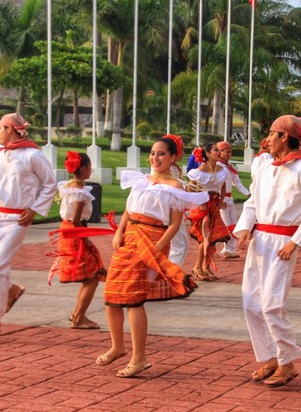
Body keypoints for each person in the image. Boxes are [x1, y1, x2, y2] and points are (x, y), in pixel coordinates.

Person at [101, 135, 208, 378]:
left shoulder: (176, 187)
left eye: (161, 154)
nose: (155, 158)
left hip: (151, 241)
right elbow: (129, 209)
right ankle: (117, 346)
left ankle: (139, 357)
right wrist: (119, 231)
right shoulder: (141, 180)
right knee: (111, 294)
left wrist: (157, 248)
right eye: (152, 153)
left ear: (173, 158)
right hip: (129, 238)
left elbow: (174, 225)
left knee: (134, 298)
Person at [234, 115, 301, 387]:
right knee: (251, 303)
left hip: (283, 243)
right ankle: (269, 358)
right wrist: (244, 229)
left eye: (272, 134)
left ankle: (287, 363)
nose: (268, 140)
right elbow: (252, 201)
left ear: (285, 137)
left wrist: (295, 242)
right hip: (260, 240)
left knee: (272, 304)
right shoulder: (266, 168)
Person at [0, 113, 57, 338]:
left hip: (17, 219)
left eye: (0, 128)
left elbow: (50, 184)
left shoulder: (33, 156)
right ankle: (11, 290)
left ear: (10, 129)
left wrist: (35, 209)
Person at [50, 151, 106, 330]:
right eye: (88, 167)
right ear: (81, 168)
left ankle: (78, 314)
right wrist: (86, 239)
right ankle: (78, 317)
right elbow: (76, 220)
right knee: (92, 279)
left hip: (68, 231)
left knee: (89, 277)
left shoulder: (69, 186)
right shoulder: (80, 192)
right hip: (75, 232)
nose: (90, 170)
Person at [187, 144, 230, 280]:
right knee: (205, 237)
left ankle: (205, 266)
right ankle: (197, 267)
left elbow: (223, 187)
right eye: (216, 150)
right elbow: (190, 189)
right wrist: (199, 198)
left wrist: (221, 201)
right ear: (208, 153)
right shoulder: (200, 170)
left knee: (212, 237)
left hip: (214, 205)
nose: (219, 152)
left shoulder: (222, 169)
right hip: (202, 206)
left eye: (220, 150)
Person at [217, 141, 249, 259]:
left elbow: (237, 183)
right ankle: (217, 248)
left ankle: (228, 250)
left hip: (229, 198)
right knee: (225, 225)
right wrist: (220, 199)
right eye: (227, 151)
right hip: (222, 200)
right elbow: (216, 184)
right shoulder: (217, 166)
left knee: (232, 225)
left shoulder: (229, 167)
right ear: (220, 152)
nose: (230, 154)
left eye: (230, 151)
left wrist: (248, 194)